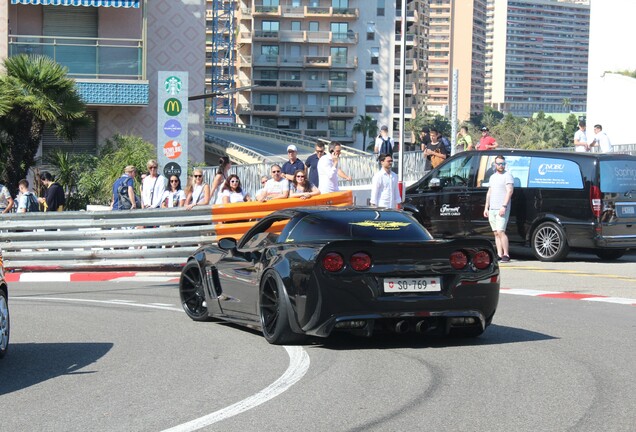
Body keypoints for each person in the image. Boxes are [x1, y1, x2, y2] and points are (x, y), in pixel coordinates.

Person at [483, 155, 514, 262]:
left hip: (502, 208)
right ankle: (499, 254)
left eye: (503, 164)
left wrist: (504, 206)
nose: (501, 166)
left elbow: (510, 191)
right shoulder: (492, 177)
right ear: (495, 164)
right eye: (499, 164)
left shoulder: (508, 175)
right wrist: (486, 207)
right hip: (492, 208)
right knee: (496, 232)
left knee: (501, 231)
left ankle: (506, 254)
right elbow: (489, 192)